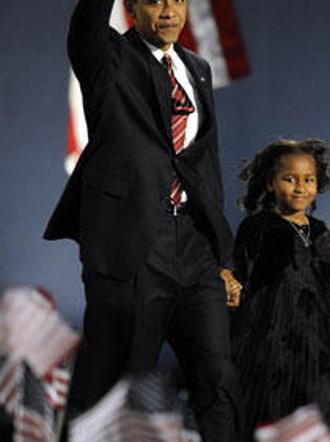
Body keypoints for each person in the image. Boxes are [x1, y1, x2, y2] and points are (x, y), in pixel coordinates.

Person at [44, 0, 241, 439]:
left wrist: (222, 256)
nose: (169, 10)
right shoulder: (108, 59)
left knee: (219, 382)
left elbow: (203, 166)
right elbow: (86, 26)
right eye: (154, 0)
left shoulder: (197, 67)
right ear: (131, 6)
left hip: (194, 246)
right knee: (120, 388)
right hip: (132, 248)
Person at [230, 139, 330, 441]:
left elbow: (323, 285)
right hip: (268, 334)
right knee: (272, 403)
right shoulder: (256, 227)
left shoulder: (319, 229)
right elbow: (243, 277)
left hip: (317, 334)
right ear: (272, 183)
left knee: (320, 401)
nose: (300, 187)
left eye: (309, 180)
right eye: (290, 179)